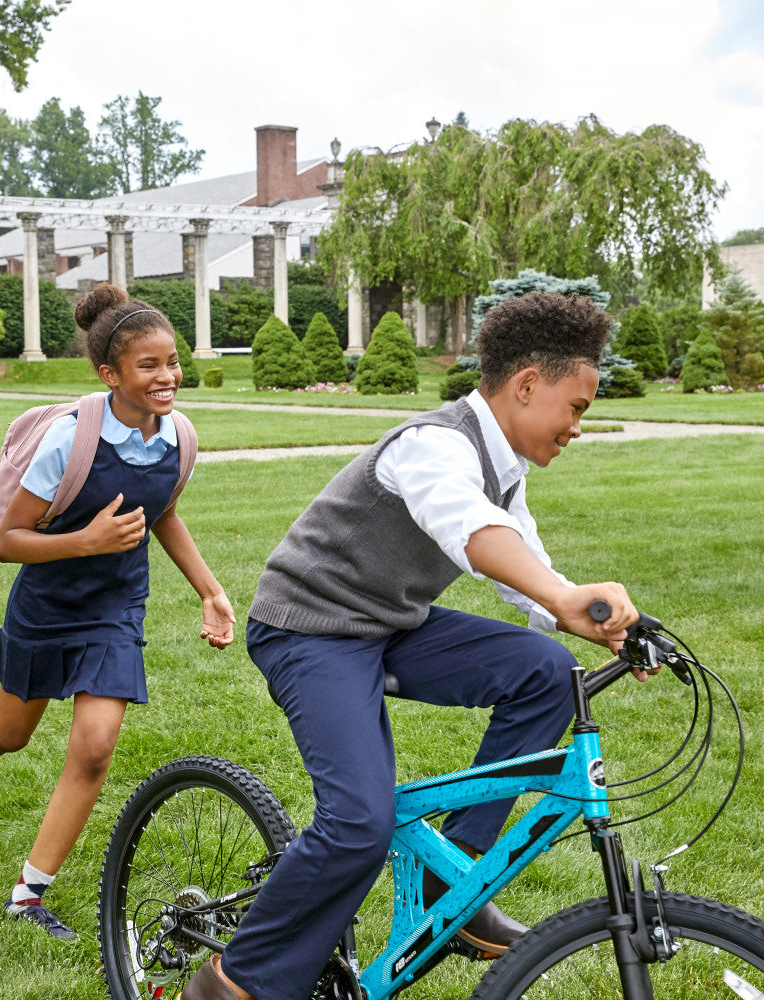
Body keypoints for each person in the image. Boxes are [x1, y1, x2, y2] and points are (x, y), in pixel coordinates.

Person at [181, 292, 644, 1000]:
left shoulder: (505, 466)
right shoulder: (434, 445)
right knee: (359, 823)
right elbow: (470, 531)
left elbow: (522, 556)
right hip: (310, 626)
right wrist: (557, 597)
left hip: (387, 625)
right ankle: (233, 982)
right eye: (576, 407)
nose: (578, 425)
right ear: (526, 386)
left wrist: (590, 616)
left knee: (548, 671)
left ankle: (449, 876)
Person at [0, 283, 236, 939]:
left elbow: (163, 515)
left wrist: (209, 589)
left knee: (96, 748)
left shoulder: (178, 439)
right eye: (149, 366)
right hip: (46, 605)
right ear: (111, 374)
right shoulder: (69, 442)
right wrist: (83, 541)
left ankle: (28, 895)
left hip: (115, 608)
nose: (168, 377)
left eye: (172, 361)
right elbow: (6, 541)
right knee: (12, 732)